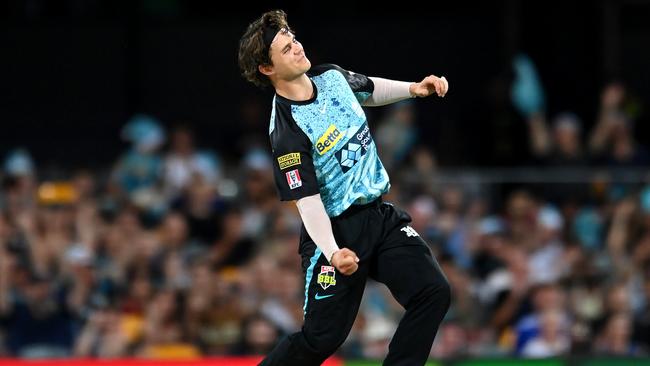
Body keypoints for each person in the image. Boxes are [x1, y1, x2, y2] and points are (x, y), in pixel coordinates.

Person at [238, 10, 451, 365]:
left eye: (294, 39)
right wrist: (334, 251)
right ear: (266, 68)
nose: (297, 47)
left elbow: (367, 88)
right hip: (335, 232)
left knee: (433, 291)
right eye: (285, 48)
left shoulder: (331, 77)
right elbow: (306, 202)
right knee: (322, 339)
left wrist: (414, 89)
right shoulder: (287, 129)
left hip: (379, 218)